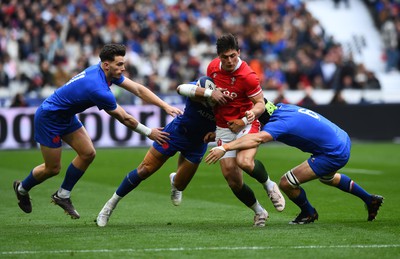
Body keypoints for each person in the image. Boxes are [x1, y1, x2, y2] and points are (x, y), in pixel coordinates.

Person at [13, 44, 183, 219]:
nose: (123, 68)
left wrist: (164, 105)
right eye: (119, 64)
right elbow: (124, 117)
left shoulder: (105, 73)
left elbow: (139, 89)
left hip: (66, 116)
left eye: (123, 63)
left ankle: (62, 195)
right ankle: (22, 188)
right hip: (49, 119)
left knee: (88, 153)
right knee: (52, 168)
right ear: (106, 65)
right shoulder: (98, 88)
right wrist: (149, 132)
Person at [205, 101, 384, 224]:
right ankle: (370, 200)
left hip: (332, 152)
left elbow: (256, 138)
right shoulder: (282, 108)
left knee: (286, 183)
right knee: (327, 178)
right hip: (340, 138)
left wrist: (225, 147)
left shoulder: (279, 124)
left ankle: (308, 213)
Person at [96, 77, 230, 227]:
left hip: (197, 143)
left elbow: (232, 127)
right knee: (144, 170)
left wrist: (216, 134)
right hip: (176, 133)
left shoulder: (226, 99)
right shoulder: (197, 87)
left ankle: (174, 181)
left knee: (180, 185)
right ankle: (109, 206)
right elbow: (180, 88)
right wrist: (206, 93)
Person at [206, 33, 285, 227]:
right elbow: (211, 101)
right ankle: (259, 212)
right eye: (225, 57)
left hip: (246, 124)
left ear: (239, 53)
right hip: (224, 127)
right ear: (218, 57)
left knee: (245, 161)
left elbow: (260, 104)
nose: (230, 60)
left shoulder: (248, 75)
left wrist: (244, 119)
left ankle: (270, 185)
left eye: (233, 55)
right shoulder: (212, 69)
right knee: (232, 179)